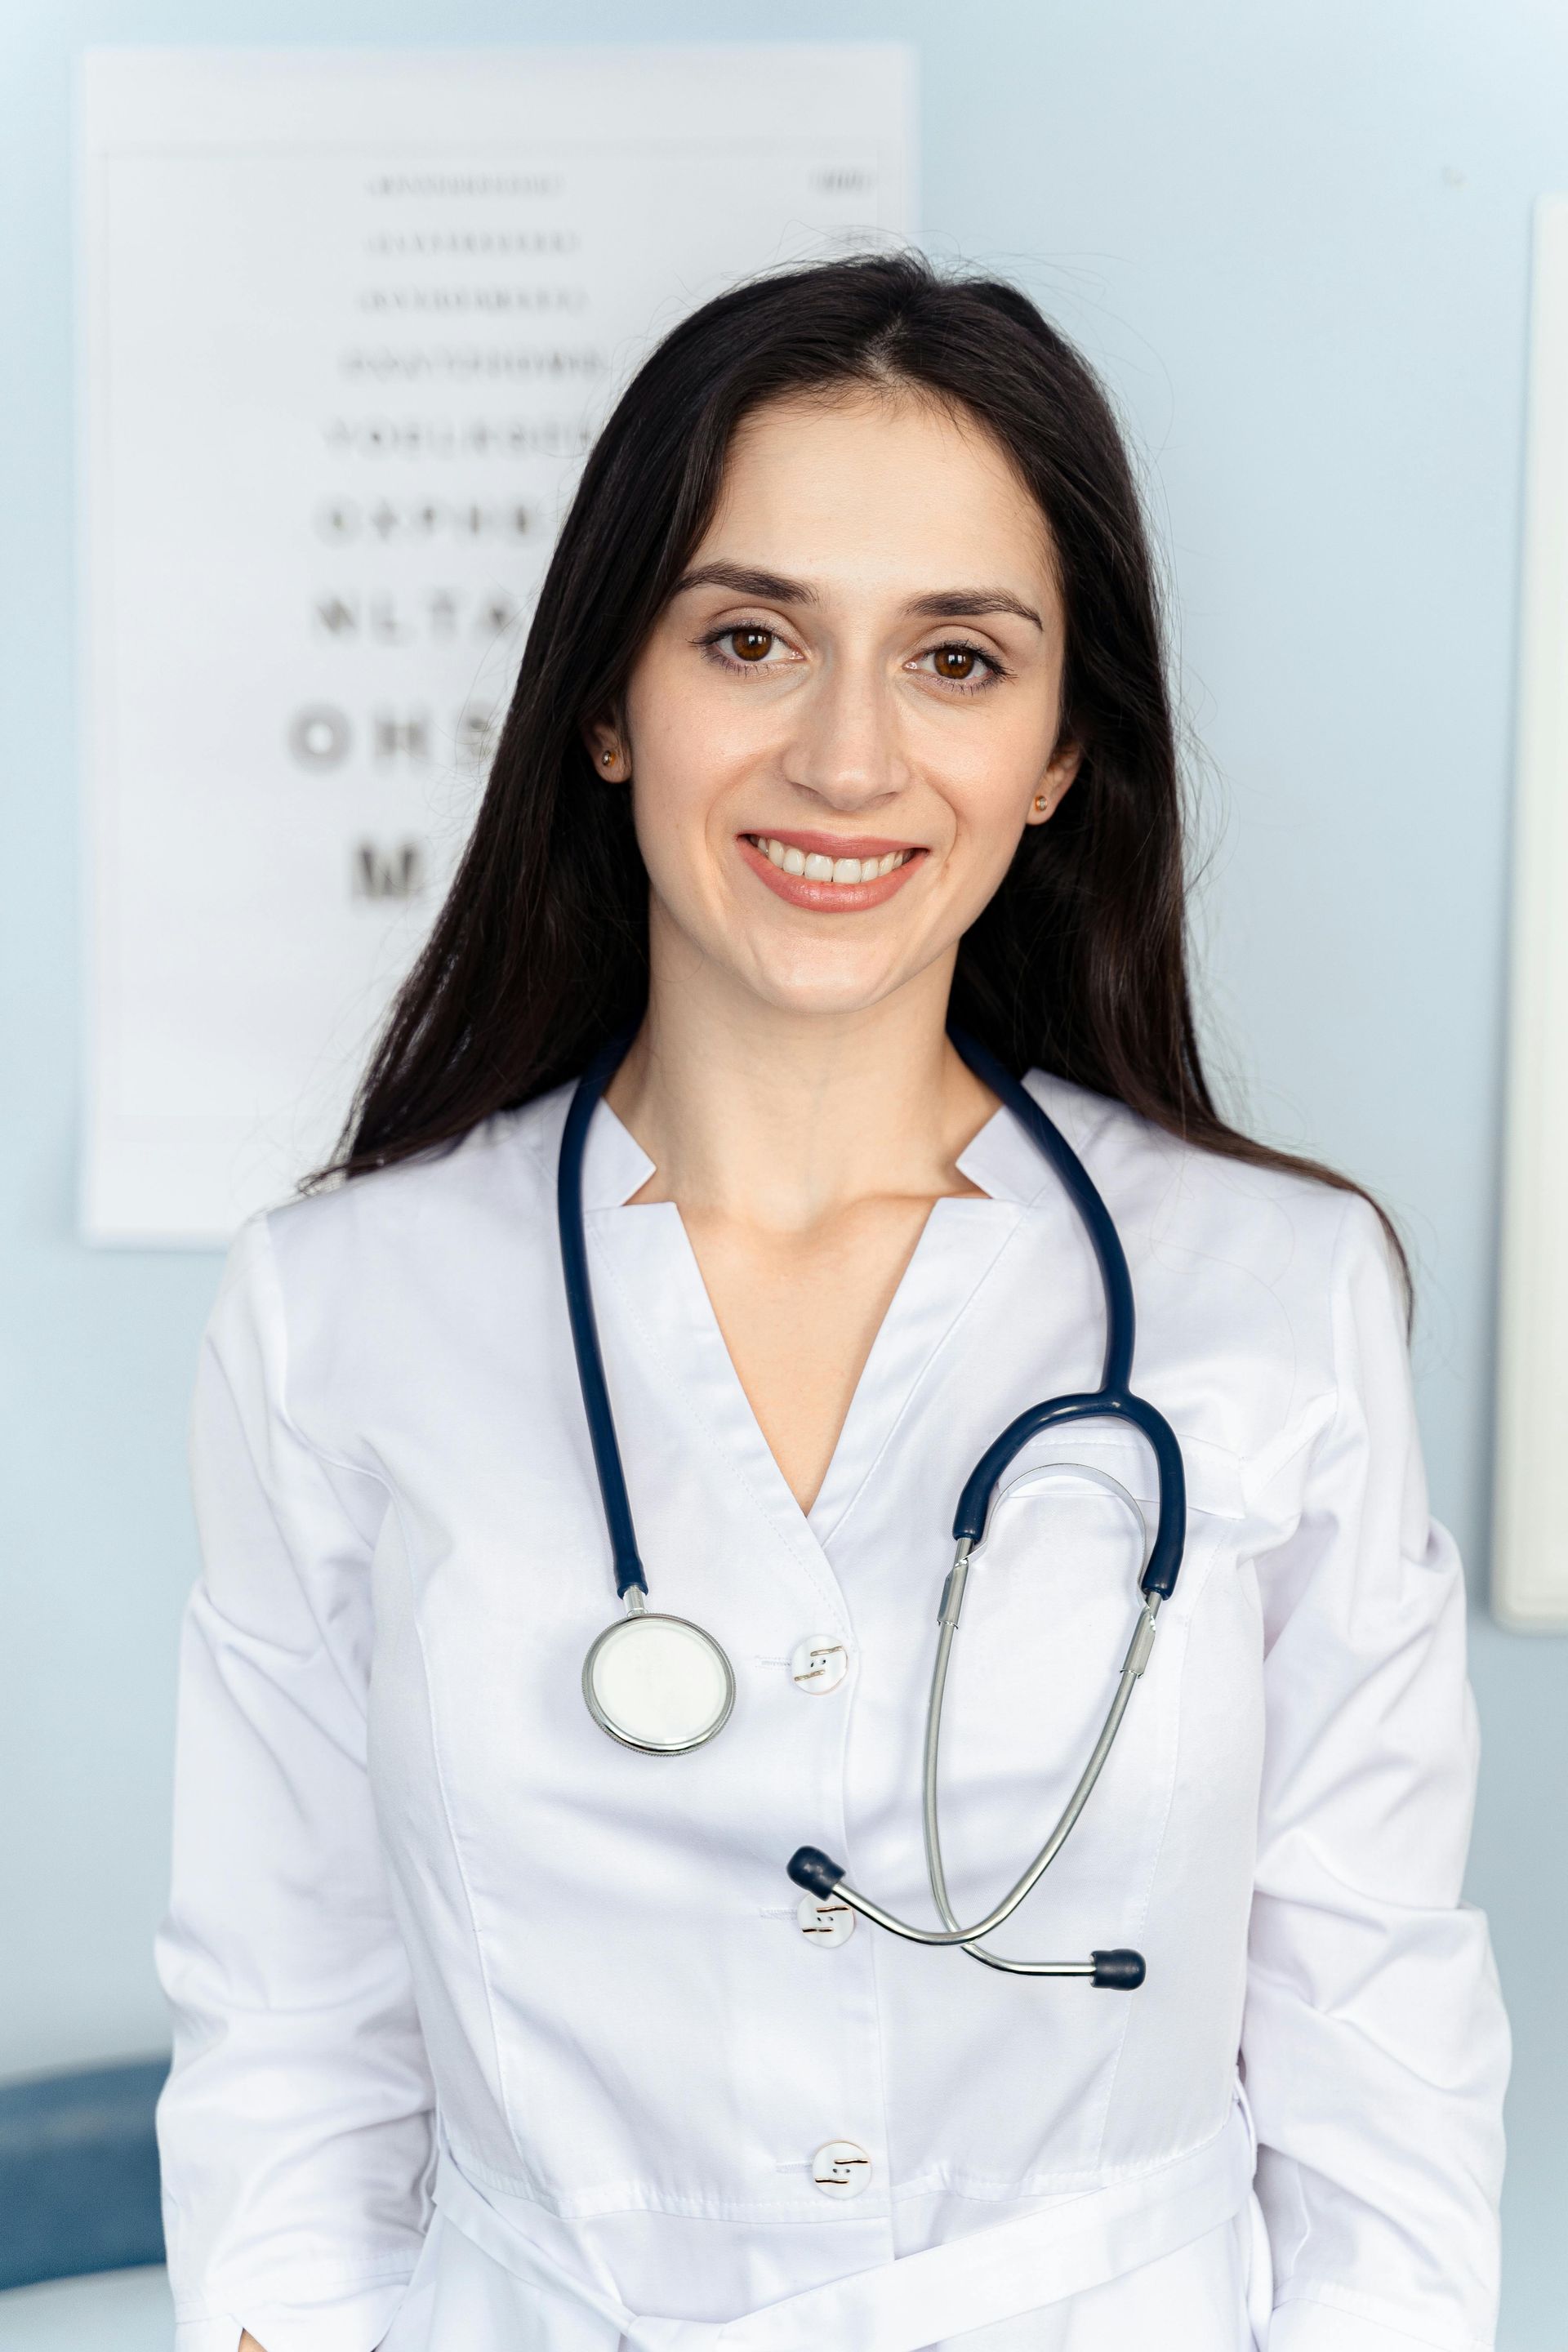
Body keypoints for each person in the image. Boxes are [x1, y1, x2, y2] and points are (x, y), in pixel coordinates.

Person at [153, 252, 1508, 2352]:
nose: (849, 755)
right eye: (754, 637)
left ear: (1065, 750)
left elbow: (1378, 2046)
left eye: (960, 659)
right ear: (610, 700)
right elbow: (291, 2041)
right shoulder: (341, 1311)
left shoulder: (1276, 1295)